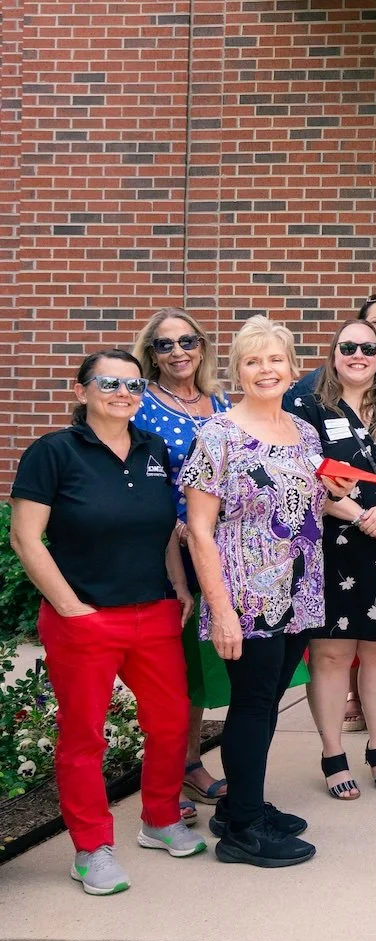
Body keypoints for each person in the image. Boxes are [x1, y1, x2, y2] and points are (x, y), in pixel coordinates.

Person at [12, 352, 205, 894]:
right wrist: (72, 608)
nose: (123, 392)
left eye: (132, 383)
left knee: (169, 725)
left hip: (156, 612)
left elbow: (166, 528)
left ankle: (160, 818)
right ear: (81, 391)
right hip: (86, 620)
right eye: (109, 382)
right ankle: (91, 847)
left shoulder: (153, 448)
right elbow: (26, 538)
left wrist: (180, 586)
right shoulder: (53, 452)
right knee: (84, 739)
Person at [181, 316, 338, 867]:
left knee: (268, 702)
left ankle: (241, 804)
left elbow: (308, 506)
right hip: (249, 594)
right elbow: (199, 527)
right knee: (250, 706)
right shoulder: (219, 434)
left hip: (299, 591)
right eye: (253, 361)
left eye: (275, 359)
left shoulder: (304, 432)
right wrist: (220, 610)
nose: (265, 370)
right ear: (237, 372)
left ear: (292, 368)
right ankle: (242, 829)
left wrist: (345, 496)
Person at [287, 319, 376, 800]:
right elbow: (298, 473)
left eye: (368, 347)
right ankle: (332, 752)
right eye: (348, 347)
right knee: (331, 653)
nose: (358, 354)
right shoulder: (303, 406)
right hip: (331, 546)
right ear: (334, 352)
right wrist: (359, 514)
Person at [130, 308, 229, 821]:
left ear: (202, 345)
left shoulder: (222, 402)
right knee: (175, 667)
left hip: (218, 548)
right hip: (168, 552)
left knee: (206, 663)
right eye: (165, 345)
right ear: (151, 354)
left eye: (187, 341)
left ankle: (188, 763)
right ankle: (176, 769)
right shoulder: (139, 403)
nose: (178, 352)